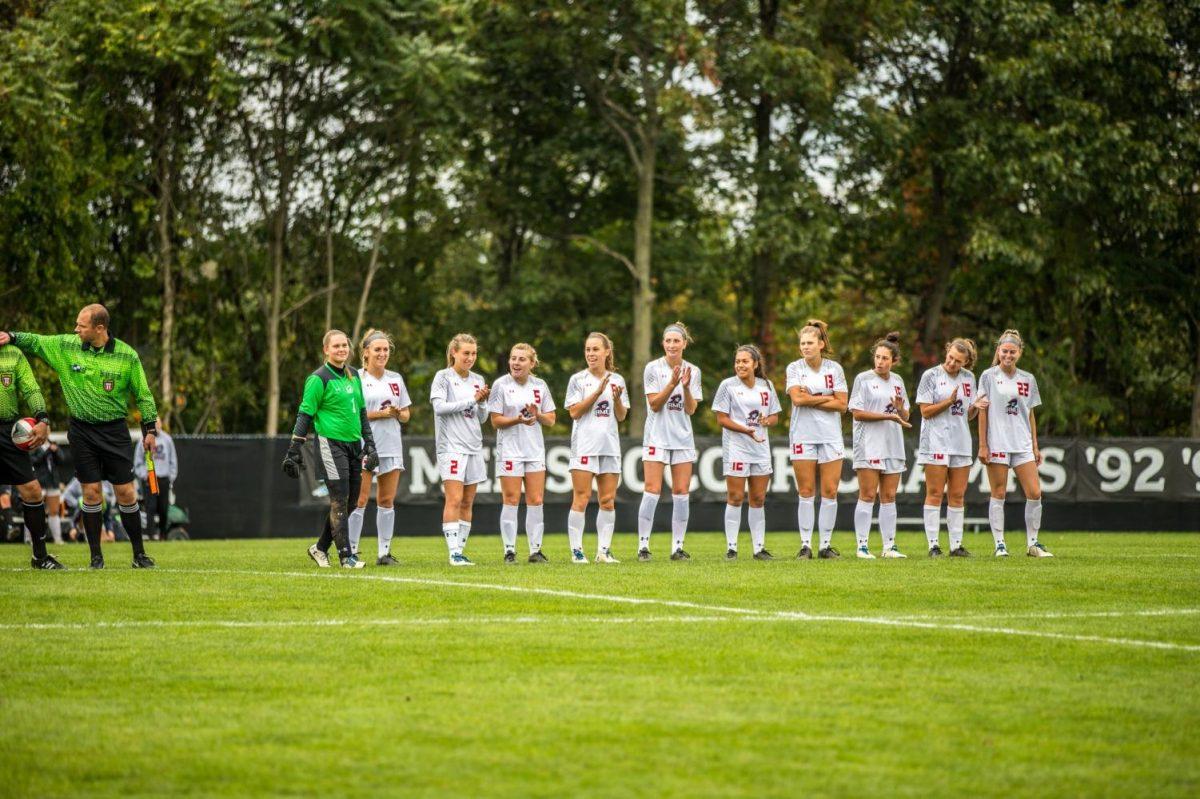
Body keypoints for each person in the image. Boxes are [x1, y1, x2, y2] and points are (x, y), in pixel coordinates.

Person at [2, 305, 156, 568]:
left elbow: (143, 393)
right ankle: (96, 557)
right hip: (82, 432)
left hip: (115, 431)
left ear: (99, 328)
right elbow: (37, 342)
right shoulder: (66, 346)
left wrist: (150, 429)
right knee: (91, 493)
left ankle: (139, 555)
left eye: (81, 326)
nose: (75, 329)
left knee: (126, 493)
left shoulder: (126, 356)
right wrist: (13, 336)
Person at [281, 329, 379, 569]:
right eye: (336, 346)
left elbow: (362, 413)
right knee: (339, 499)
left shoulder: (354, 375)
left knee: (353, 501)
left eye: (344, 345)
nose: (341, 349)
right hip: (330, 443)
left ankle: (320, 548)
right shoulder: (318, 378)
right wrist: (294, 448)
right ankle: (347, 557)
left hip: (354, 444)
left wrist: (371, 445)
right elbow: (305, 414)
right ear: (326, 350)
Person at [976, 329, 1052, 557]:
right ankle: (1000, 544)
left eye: (1012, 352)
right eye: (1004, 351)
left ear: (1019, 353)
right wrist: (982, 445)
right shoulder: (988, 376)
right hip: (997, 443)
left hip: (1022, 443)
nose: (1008, 355)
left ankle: (1033, 543)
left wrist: (1035, 445)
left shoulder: (1027, 379)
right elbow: (982, 411)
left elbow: (1029, 414)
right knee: (998, 493)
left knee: (1035, 492)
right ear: (998, 351)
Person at [638, 321, 702, 561]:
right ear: (663, 344)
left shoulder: (693, 370)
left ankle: (677, 547)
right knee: (652, 490)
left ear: (684, 344)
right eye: (668, 341)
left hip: (682, 439)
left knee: (681, 492)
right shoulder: (653, 368)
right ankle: (643, 546)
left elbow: (691, 409)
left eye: (677, 341)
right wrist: (672, 384)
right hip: (656, 437)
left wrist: (684, 388)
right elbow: (654, 405)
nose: (672, 345)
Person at [785, 320, 849, 559]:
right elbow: (797, 400)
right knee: (806, 491)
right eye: (802, 343)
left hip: (830, 436)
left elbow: (842, 405)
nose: (805, 347)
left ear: (821, 344)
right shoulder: (794, 368)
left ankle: (825, 545)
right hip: (803, 434)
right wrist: (826, 398)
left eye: (810, 343)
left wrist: (813, 397)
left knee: (830, 490)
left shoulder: (835, 369)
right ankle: (805, 546)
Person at [565, 332, 630, 564]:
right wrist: (596, 393)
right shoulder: (578, 380)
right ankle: (577, 551)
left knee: (608, 500)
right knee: (581, 499)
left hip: (609, 446)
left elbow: (621, 417)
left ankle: (603, 551)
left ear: (606, 352)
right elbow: (574, 412)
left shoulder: (618, 380)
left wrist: (618, 399)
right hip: (584, 446)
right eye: (588, 350)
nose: (591, 354)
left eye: (595, 350)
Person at [489, 343, 556, 564]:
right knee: (511, 499)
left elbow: (551, 420)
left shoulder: (540, 385)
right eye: (513, 358)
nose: (516, 363)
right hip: (510, 450)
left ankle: (535, 550)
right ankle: (509, 550)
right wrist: (518, 419)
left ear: (532, 363)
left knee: (536, 500)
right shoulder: (501, 385)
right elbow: (495, 421)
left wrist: (538, 415)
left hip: (534, 450)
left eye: (521, 359)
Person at [712, 345, 781, 560]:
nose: (740, 365)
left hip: (759, 448)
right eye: (737, 361)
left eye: (745, 361)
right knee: (735, 497)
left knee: (758, 498)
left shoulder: (766, 386)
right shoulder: (727, 386)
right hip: (737, 448)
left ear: (755, 364)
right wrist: (746, 430)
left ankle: (758, 548)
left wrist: (765, 421)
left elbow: (775, 417)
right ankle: (731, 548)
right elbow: (721, 419)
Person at [349, 329, 411, 566]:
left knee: (387, 500)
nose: (382, 353)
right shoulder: (356, 378)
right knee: (360, 499)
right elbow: (353, 415)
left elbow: (406, 414)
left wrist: (397, 414)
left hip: (391, 445)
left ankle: (384, 553)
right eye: (378, 349)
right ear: (366, 352)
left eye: (386, 349)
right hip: (366, 446)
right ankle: (351, 552)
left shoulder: (395, 378)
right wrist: (380, 414)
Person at [848, 332, 912, 559]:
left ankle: (889, 547)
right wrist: (888, 417)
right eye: (877, 357)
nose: (880, 362)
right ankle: (862, 547)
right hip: (869, 444)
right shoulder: (863, 379)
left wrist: (899, 409)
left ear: (894, 361)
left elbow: (905, 414)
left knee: (889, 496)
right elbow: (856, 413)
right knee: (867, 494)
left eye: (885, 358)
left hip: (893, 444)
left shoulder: (898, 381)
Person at [915, 339, 980, 557]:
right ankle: (933, 545)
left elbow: (967, 415)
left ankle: (956, 545)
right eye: (950, 357)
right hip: (935, 440)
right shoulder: (930, 376)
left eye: (958, 361)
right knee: (934, 493)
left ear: (966, 362)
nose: (952, 363)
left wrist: (976, 409)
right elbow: (924, 411)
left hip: (960, 442)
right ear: (947, 351)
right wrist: (948, 402)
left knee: (958, 495)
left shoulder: (969, 378)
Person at [430, 333, 489, 566]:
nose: (470, 358)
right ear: (454, 352)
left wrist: (482, 402)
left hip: (473, 446)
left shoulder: (478, 379)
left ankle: (460, 551)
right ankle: (453, 553)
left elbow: (482, 418)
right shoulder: (443, 377)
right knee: (453, 499)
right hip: (451, 447)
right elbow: (439, 408)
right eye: (466, 353)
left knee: (467, 502)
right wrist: (472, 400)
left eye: (474, 353)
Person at [134, 421, 178, 541]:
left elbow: (173, 461)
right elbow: (137, 462)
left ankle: (163, 535)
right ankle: (151, 535)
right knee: (150, 508)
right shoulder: (143, 440)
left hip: (163, 479)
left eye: (158, 423)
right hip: (150, 479)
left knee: (164, 509)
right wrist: (144, 475)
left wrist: (171, 478)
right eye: (154, 424)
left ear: (161, 424)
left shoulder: (168, 440)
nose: (156, 426)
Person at [31, 442, 64, 545]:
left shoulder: (53, 444)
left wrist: (56, 451)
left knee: (54, 511)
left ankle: (57, 539)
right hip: (39, 482)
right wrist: (45, 451)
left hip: (53, 482)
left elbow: (62, 460)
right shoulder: (33, 444)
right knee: (34, 510)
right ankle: (31, 539)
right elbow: (33, 461)